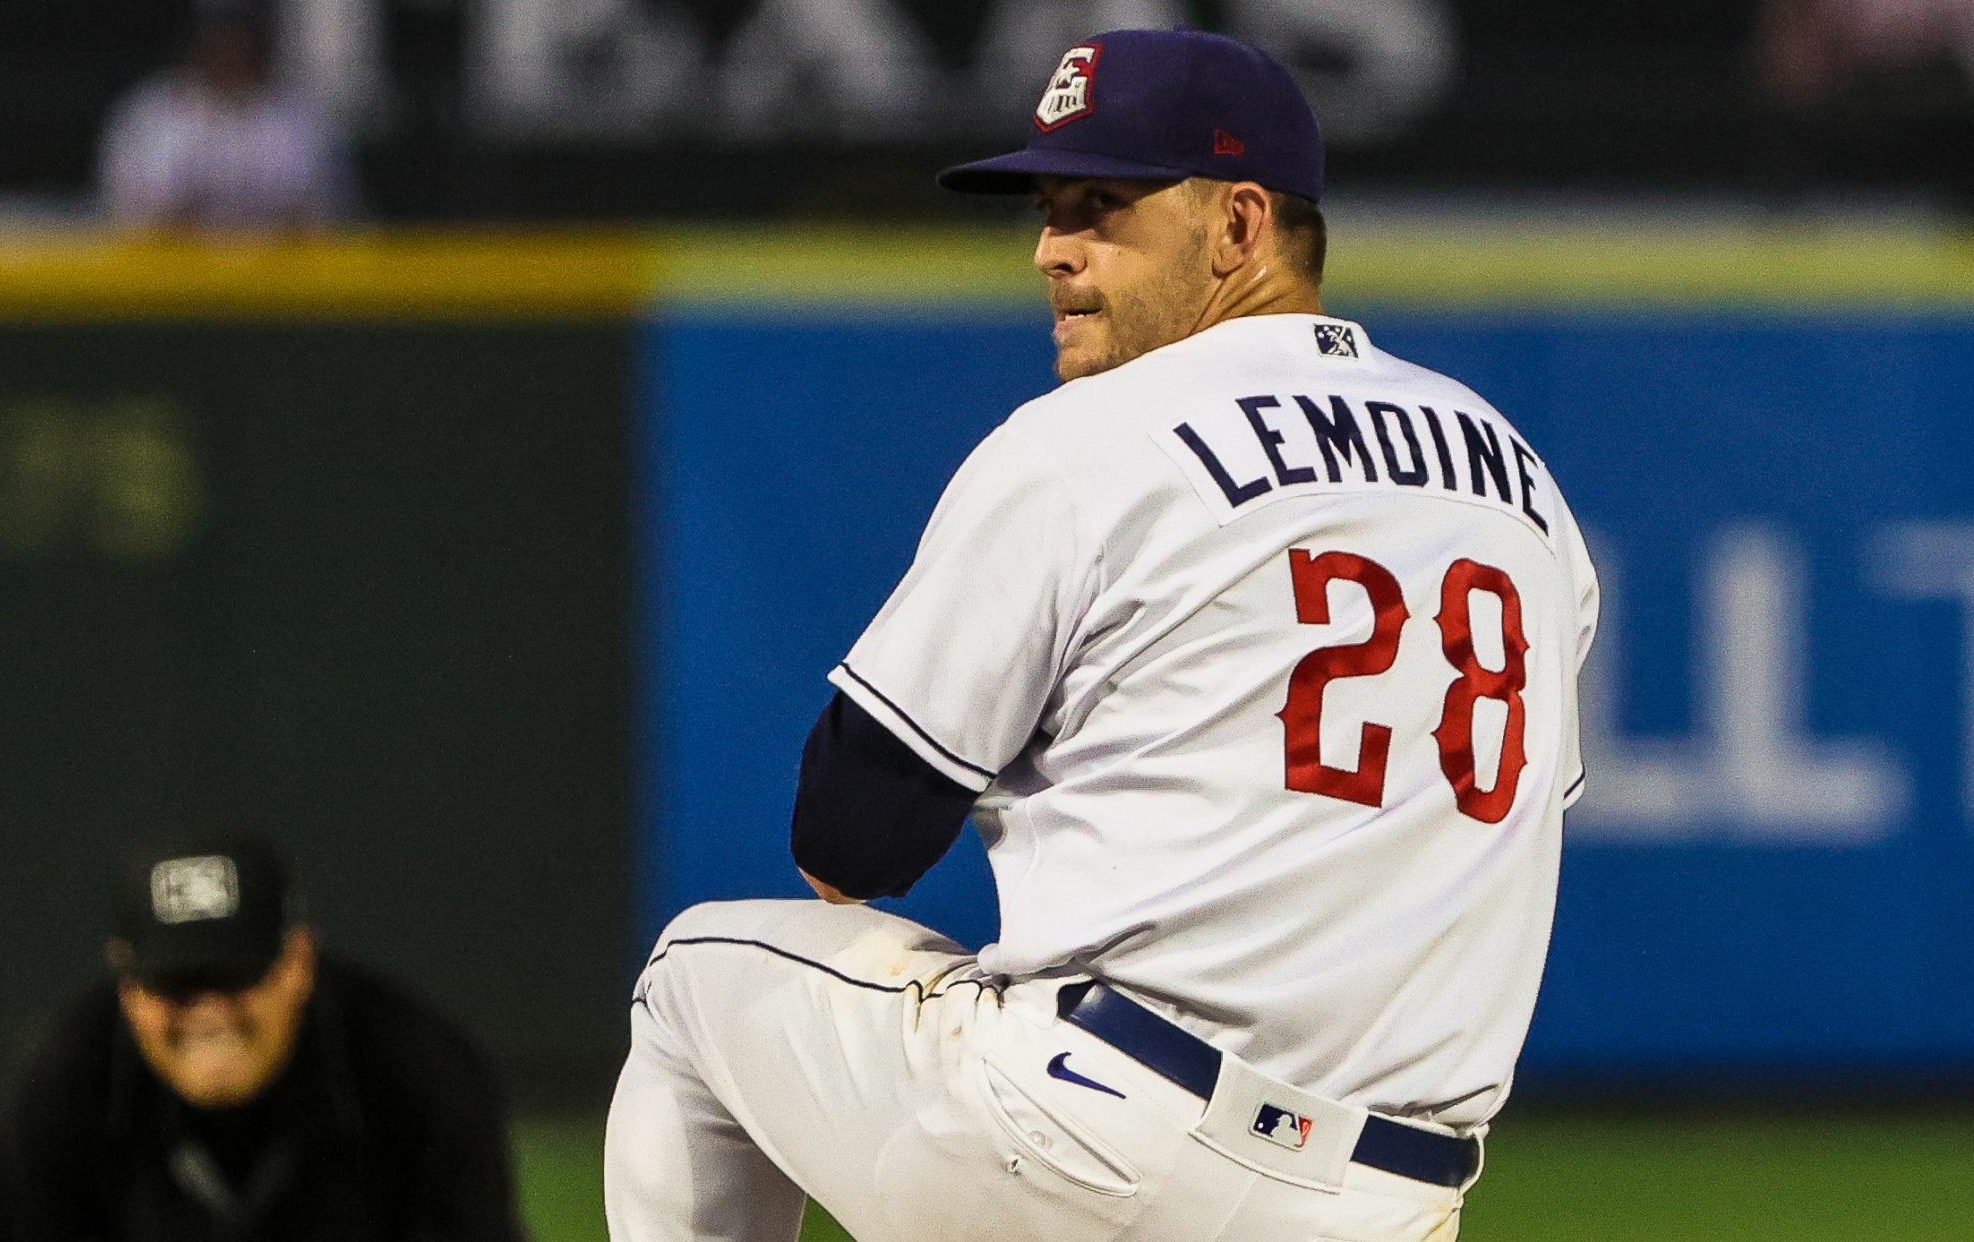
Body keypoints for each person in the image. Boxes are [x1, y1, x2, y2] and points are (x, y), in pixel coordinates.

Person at [604, 27, 1597, 1242]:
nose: (1050, 249)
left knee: (693, 976)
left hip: (1095, 1142)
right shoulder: (1521, 484)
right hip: (1394, 1200)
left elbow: (844, 846)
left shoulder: (1088, 442)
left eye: (1100, 208)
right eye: (1047, 211)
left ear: (1239, 225)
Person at [0, 835, 525, 1242]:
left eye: (236, 977)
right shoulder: (56, 1086)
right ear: (126, 983)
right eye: (176, 985)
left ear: (299, 963)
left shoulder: (418, 1075)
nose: (209, 1014)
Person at [99, 0, 352, 231]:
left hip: (284, 267)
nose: (229, 45)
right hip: (169, 267)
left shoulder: (301, 118)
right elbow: (124, 220)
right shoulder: (150, 114)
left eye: (239, 31)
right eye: (218, 30)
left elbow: (330, 219)